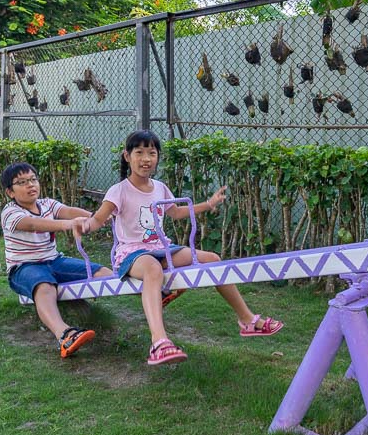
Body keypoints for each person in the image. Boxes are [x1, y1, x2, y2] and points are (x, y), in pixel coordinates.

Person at [81, 130, 282, 366]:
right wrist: (85, 225)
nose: (146, 159)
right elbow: (98, 219)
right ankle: (159, 341)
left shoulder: (159, 187)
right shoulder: (119, 190)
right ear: (127, 156)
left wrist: (208, 204)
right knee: (153, 270)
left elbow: (175, 212)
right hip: (131, 253)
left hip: (161, 248)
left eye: (152, 153)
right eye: (139, 153)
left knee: (212, 258)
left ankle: (247, 320)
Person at [0, 162, 112, 358]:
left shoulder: (47, 204)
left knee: (102, 272)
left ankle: (153, 292)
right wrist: (69, 225)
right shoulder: (10, 213)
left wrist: (96, 217)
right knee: (44, 287)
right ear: (10, 192)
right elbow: (35, 224)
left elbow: (68, 211)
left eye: (33, 179)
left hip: (54, 261)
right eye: (22, 182)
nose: (30, 185)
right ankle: (65, 335)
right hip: (24, 268)